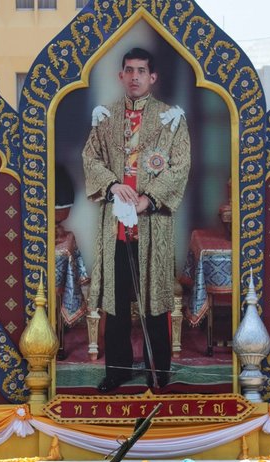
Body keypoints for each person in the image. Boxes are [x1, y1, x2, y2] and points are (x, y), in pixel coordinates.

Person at [84, 47, 192, 393]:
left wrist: (150, 198)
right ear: (120, 75)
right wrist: (114, 184)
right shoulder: (106, 116)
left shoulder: (170, 118)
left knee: (155, 301)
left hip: (152, 224)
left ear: (152, 77)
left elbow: (180, 165)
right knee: (115, 304)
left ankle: (157, 371)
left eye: (141, 71)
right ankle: (116, 371)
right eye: (129, 70)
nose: (134, 77)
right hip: (114, 225)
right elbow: (91, 158)